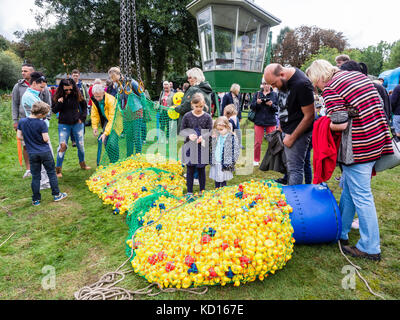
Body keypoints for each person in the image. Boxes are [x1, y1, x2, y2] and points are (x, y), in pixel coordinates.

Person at [306, 59, 393, 261]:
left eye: (315, 83)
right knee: (351, 190)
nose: (317, 88)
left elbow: (340, 124)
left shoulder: (331, 87)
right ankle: (341, 230)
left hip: (359, 147)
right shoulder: (357, 76)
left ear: (319, 77)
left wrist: (322, 124)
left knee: (362, 196)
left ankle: (370, 247)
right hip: (377, 139)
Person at [264, 63, 315, 185]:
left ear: (282, 74)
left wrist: (292, 137)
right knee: (293, 166)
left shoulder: (302, 84)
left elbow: (309, 116)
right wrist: (281, 125)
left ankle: (294, 201)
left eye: (274, 84)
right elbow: (285, 105)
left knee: (295, 169)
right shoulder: (285, 80)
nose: (274, 88)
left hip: (297, 133)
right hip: (286, 130)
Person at [16, 101, 67, 206]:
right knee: (51, 173)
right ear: (40, 114)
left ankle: (36, 200)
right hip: (44, 152)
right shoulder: (41, 123)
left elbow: (19, 136)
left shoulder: (22, 121)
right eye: (44, 115)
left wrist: (29, 139)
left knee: (35, 176)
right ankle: (57, 195)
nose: (44, 117)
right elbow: (45, 139)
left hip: (32, 153)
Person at [12, 64, 52, 179]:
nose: (23, 73)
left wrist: (47, 119)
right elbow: (14, 103)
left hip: (39, 121)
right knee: (27, 146)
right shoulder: (18, 86)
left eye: (26, 71)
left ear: (32, 73)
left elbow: (47, 103)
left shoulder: (41, 84)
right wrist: (16, 120)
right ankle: (29, 169)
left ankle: (37, 173)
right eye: (22, 71)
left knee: (36, 150)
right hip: (25, 121)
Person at [52, 78, 91, 178]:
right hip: (64, 124)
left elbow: (84, 106)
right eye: (66, 90)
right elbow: (54, 110)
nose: (69, 91)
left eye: (70, 89)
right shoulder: (57, 96)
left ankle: (83, 164)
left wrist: (82, 118)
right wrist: (60, 103)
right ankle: (58, 170)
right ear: (62, 88)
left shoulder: (77, 94)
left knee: (80, 145)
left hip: (77, 123)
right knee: (63, 146)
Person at [180, 93, 213, 197]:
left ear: (204, 105)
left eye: (201, 106)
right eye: (196, 106)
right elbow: (182, 131)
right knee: (190, 169)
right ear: (192, 104)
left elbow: (211, 132)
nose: (199, 108)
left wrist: (203, 137)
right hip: (190, 147)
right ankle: (189, 191)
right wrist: (189, 136)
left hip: (202, 147)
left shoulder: (207, 117)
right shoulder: (187, 116)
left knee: (201, 169)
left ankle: (202, 190)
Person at [250, 81, 278, 166]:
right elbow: (252, 106)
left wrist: (271, 105)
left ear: (270, 85)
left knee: (272, 142)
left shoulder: (274, 95)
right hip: (259, 121)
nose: (266, 85)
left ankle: (270, 160)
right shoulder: (258, 94)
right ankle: (256, 159)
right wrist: (257, 103)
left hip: (270, 121)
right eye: (264, 84)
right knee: (258, 142)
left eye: (267, 83)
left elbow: (277, 108)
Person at [90, 84, 119, 163]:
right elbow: (94, 114)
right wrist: (95, 127)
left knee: (112, 142)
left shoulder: (111, 100)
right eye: (95, 96)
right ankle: (112, 161)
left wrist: (105, 133)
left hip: (116, 120)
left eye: (99, 96)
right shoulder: (95, 100)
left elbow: (112, 118)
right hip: (107, 120)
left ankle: (116, 161)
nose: (97, 98)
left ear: (103, 93)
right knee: (106, 141)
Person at [209, 116, 240, 189]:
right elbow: (210, 147)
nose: (219, 131)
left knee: (223, 178)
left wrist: (232, 161)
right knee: (217, 177)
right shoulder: (216, 136)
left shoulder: (231, 137)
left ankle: (223, 191)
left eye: (221, 129)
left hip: (225, 162)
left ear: (227, 127)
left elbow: (236, 150)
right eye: (217, 130)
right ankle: (216, 190)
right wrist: (212, 139)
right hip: (216, 161)